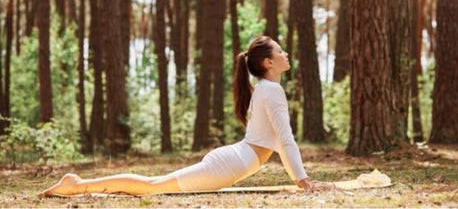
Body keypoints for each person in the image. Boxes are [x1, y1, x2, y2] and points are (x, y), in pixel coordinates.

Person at [38, 36, 322, 197]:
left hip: (234, 160)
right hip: (230, 164)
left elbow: (280, 140)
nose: (286, 54)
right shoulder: (270, 91)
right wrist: (303, 180)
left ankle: (77, 184)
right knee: (152, 187)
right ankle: (76, 185)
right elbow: (285, 141)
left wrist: (301, 178)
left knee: (154, 184)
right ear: (268, 62)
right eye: (280, 51)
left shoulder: (266, 89)